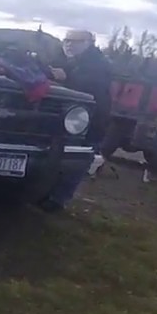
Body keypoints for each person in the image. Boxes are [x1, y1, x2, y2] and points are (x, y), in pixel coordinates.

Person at [41, 28, 114, 212]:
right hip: (69, 119)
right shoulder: (66, 60)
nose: (69, 44)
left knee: (77, 160)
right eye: (66, 40)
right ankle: (45, 193)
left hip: (91, 120)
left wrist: (67, 77)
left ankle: (59, 200)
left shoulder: (99, 64)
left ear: (88, 43)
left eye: (75, 41)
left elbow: (93, 88)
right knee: (56, 155)